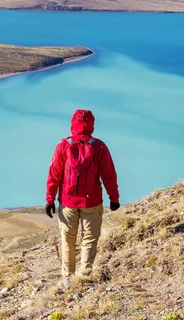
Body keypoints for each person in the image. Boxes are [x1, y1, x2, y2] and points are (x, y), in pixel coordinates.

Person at [45, 109, 120, 281]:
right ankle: (85, 275)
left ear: (73, 123)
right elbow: (109, 175)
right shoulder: (99, 146)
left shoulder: (63, 145)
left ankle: (68, 278)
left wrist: (49, 200)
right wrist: (114, 198)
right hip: (92, 202)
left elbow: (54, 174)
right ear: (91, 124)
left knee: (68, 241)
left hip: (68, 202)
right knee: (89, 239)